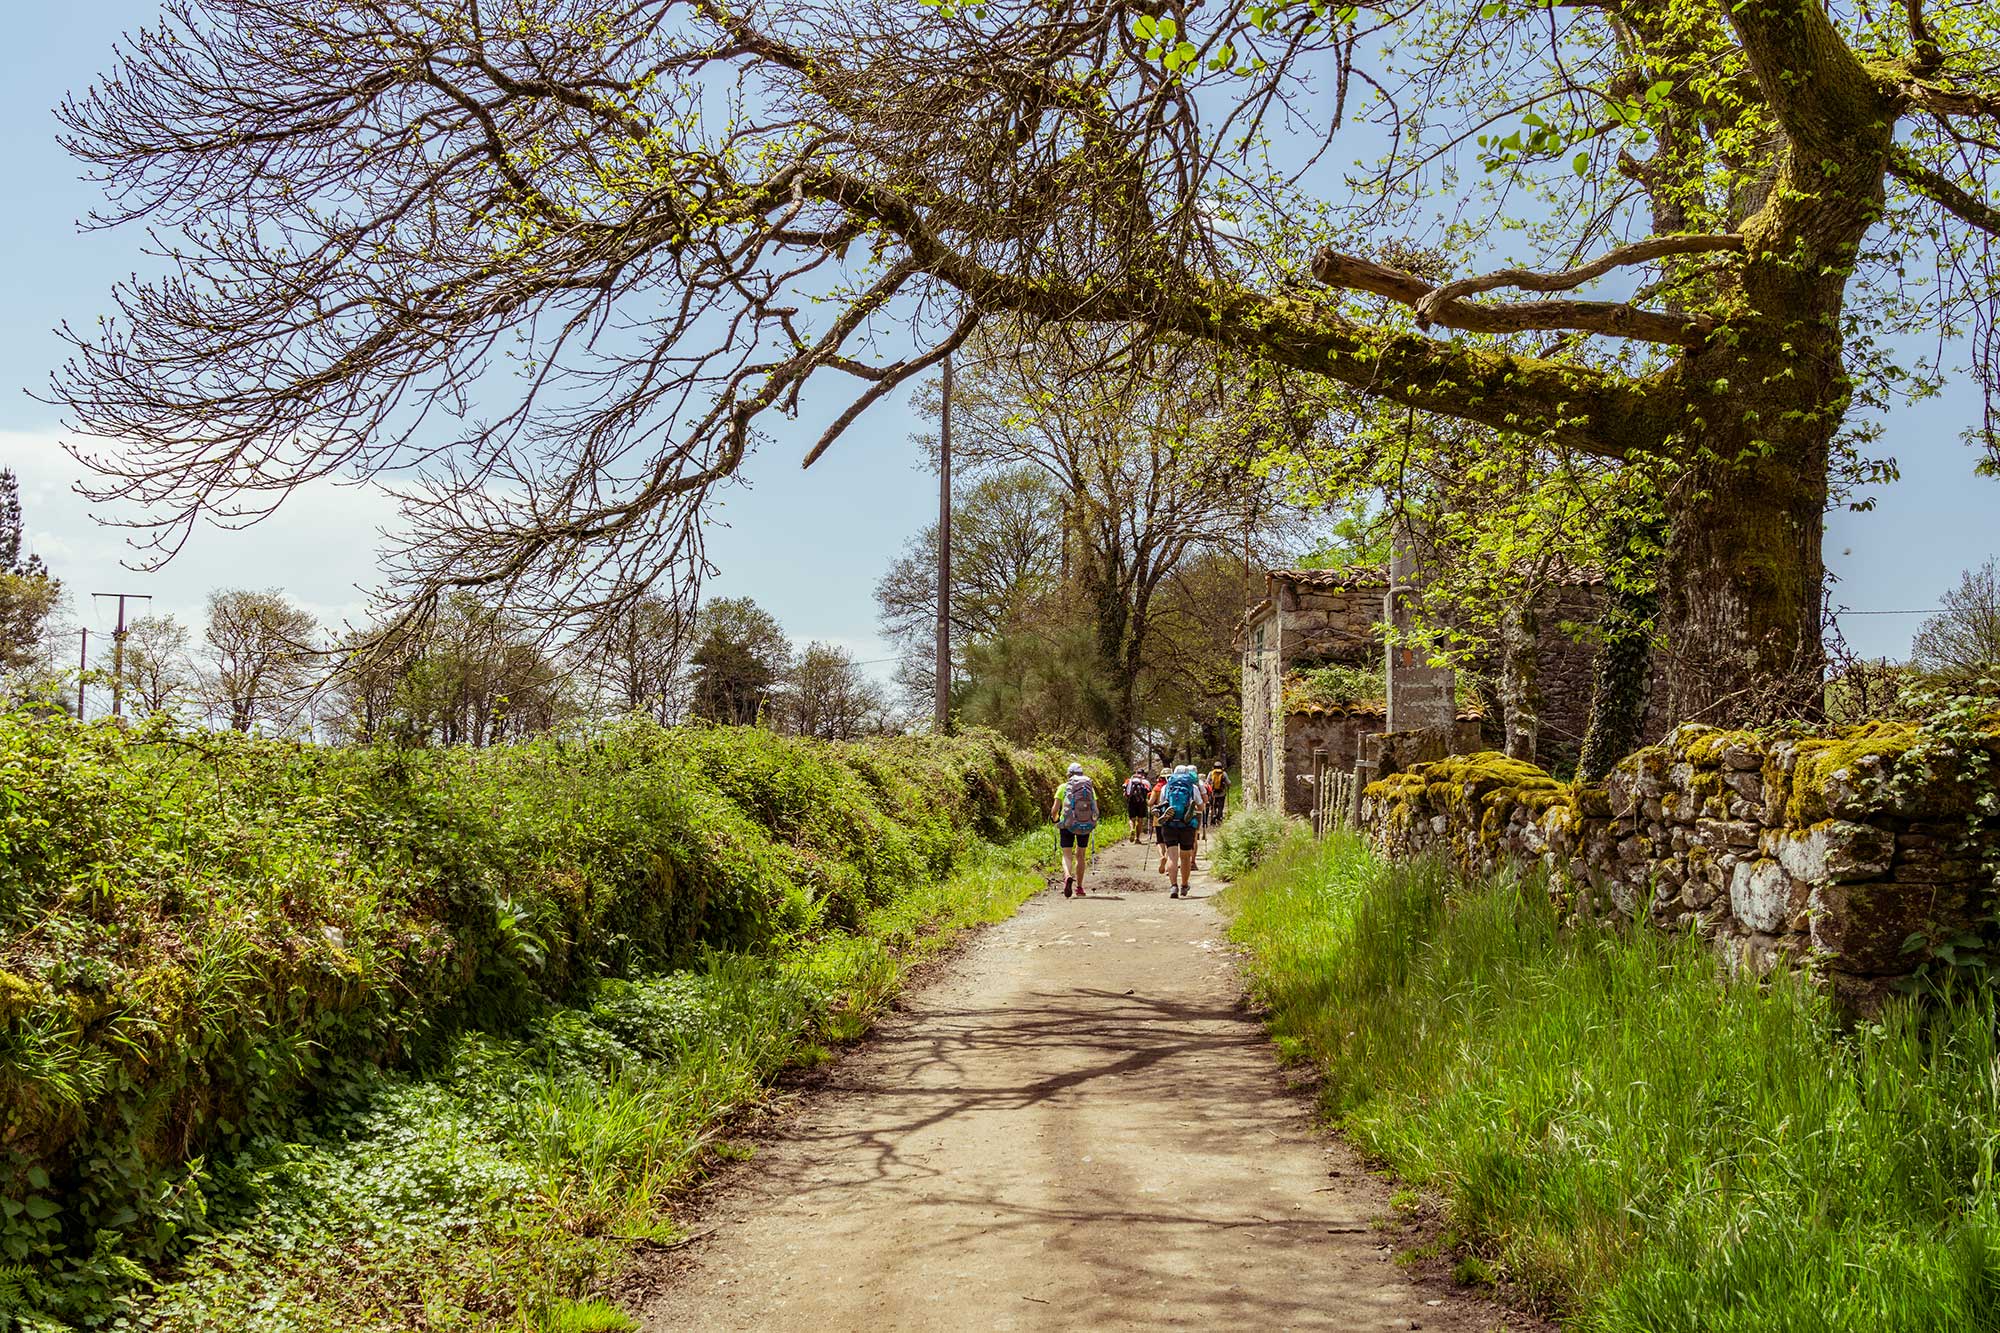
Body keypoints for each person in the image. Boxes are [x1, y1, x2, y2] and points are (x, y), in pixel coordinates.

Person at [1050, 762, 1099, 898]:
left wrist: (1055, 820)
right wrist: (1092, 822)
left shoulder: (1063, 788)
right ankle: (1080, 888)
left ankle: (1067, 876)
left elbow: (1054, 810)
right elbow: (1096, 810)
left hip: (1066, 824)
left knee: (1067, 854)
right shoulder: (1090, 789)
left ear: (1069, 775)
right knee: (1081, 855)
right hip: (1085, 825)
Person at [1158, 764, 1206, 898]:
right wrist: (1196, 806)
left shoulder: (1166, 787)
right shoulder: (1193, 787)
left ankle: (1173, 886)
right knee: (1185, 857)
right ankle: (1184, 885)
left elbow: (1162, 803)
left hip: (1169, 825)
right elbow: (1201, 807)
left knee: (1172, 856)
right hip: (1187, 826)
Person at [1123, 768, 1152, 844]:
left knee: (1131, 818)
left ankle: (1132, 829)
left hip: (1131, 802)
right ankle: (1137, 838)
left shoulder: (1129, 781)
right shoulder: (1145, 782)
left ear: (1136, 773)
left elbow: (1124, 793)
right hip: (1141, 803)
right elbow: (1149, 793)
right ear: (1143, 774)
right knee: (1140, 820)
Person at [1152, 768, 1171, 875]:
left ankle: (1161, 856)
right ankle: (1168, 863)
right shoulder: (1172, 787)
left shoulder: (1158, 787)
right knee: (1170, 842)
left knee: (1160, 841)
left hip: (1158, 818)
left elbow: (1150, 803)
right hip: (1169, 817)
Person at [1207, 762, 1229, 827]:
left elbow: (1207, 782)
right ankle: (1219, 819)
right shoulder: (1224, 773)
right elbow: (1228, 782)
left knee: (1213, 806)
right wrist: (1228, 785)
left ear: (1213, 767)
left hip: (1213, 793)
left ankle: (1213, 819)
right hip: (1222, 793)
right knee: (1220, 806)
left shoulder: (1211, 773)